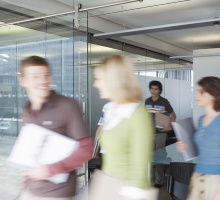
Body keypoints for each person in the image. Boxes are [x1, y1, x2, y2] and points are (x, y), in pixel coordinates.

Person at [18, 56, 93, 200]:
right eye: (35, 77)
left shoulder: (68, 106)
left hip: (57, 194)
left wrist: (50, 169)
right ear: (23, 81)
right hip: (30, 190)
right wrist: (26, 182)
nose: (43, 81)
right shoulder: (26, 111)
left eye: (46, 75)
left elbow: (87, 148)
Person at [93, 54, 154, 198]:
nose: (96, 84)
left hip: (127, 192)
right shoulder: (110, 109)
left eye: (99, 79)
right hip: (110, 186)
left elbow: (140, 168)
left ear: (114, 80)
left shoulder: (137, 114)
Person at [177, 76, 220, 200]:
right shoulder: (201, 120)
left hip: (216, 181)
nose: (196, 95)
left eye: (201, 91)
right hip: (198, 177)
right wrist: (184, 147)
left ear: (213, 95)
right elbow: (205, 150)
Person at [145, 80, 176, 188]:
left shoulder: (164, 102)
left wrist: (169, 126)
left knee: (159, 157)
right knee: (149, 156)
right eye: (152, 88)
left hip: (160, 133)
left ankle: (159, 180)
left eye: (156, 89)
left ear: (159, 90)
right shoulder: (147, 101)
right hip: (149, 133)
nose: (153, 91)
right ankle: (148, 178)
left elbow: (173, 115)